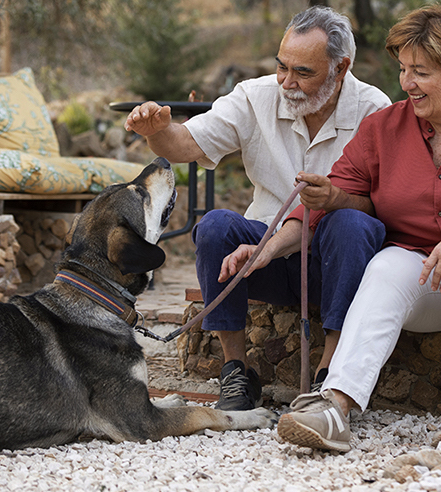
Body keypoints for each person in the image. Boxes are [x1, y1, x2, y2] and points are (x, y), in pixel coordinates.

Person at [259, 5, 441, 452]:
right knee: (389, 263)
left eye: (421, 72)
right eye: (404, 70)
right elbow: (335, 190)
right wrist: (271, 246)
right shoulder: (384, 128)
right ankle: (336, 406)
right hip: (431, 276)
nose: (406, 83)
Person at [124, 6, 391, 411]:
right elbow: (185, 145)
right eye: (282, 66)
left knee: (351, 224)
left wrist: (335, 200)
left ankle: (329, 375)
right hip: (262, 259)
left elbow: (382, 204)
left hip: (336, 262)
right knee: (215, 226)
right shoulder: (256, 95)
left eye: (303, 72)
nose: (287, 81)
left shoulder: (375, 108)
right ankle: (236, 372)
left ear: (341, 68)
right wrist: (158, 131)